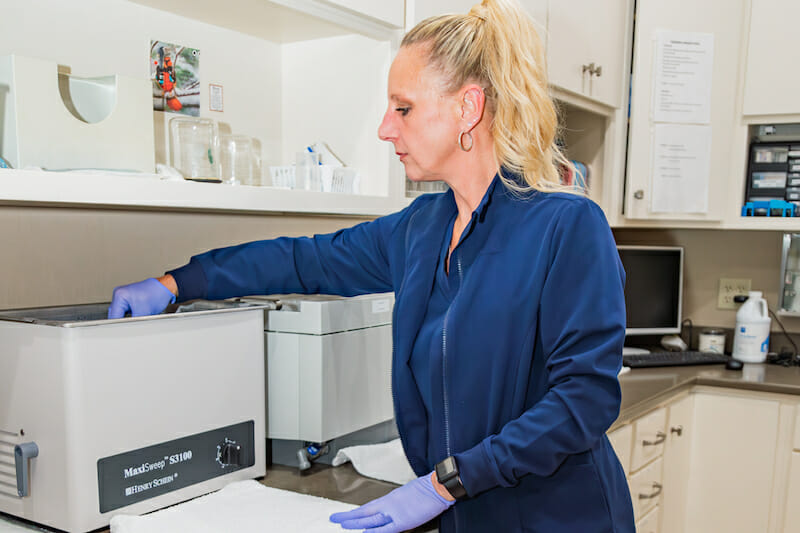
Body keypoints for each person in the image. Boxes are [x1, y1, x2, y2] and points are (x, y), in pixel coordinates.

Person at [108, 1, 634, 531]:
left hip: (559, 516)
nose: (386, 129)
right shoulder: (420, 229)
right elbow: (304, 260)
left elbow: (582, 401)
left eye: (402, 109)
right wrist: (179, 281)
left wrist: (444, 483)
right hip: (465, 515)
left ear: (467, 108)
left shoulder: (567, 226)